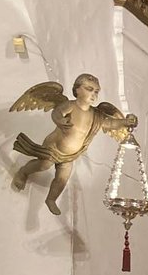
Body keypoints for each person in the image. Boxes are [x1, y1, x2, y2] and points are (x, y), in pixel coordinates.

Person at [10, 74, 138, 215]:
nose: (94, 94)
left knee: (62, 178)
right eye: (89, 89)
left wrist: (125, 122)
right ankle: (23, 172)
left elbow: (111, 123)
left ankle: (51, 199)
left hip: (71, 155)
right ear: (77, 89)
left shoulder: (96, 114)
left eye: (96, 91)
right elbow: (57, 112)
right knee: (43, 165)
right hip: (54, 148)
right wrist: (60, 120)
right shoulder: (71, 106)